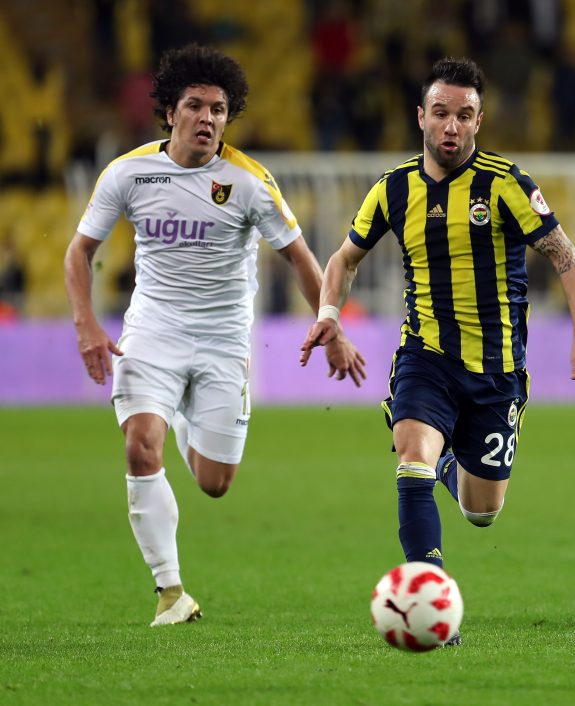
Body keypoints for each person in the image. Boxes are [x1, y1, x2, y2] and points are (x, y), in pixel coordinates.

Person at [301, 57, 575, 645]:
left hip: (497, 370)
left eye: (464, 115)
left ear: (478, 122)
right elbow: (343, 259)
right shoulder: (393, 189)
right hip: (426, 356)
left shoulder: (506, 184)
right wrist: (329, 315)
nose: (451, 125)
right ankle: (430, 597)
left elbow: (565, 256)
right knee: (411, 459)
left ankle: (448, 463)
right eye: (440, 113)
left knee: (481, 511)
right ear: (421, 117)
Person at [64, 44, 365, 627]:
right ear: (169, 112)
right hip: (152, 331)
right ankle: (170, 592)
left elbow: (300, 257)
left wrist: (330, 323)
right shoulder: (127, 173)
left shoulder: (249, 182)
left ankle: (182, 414)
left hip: (224, 340)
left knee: (214, 482)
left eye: (219, 110)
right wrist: (86, 324)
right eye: (195, 106)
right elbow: (79, 252)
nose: (207, 119)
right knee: (139, 446)